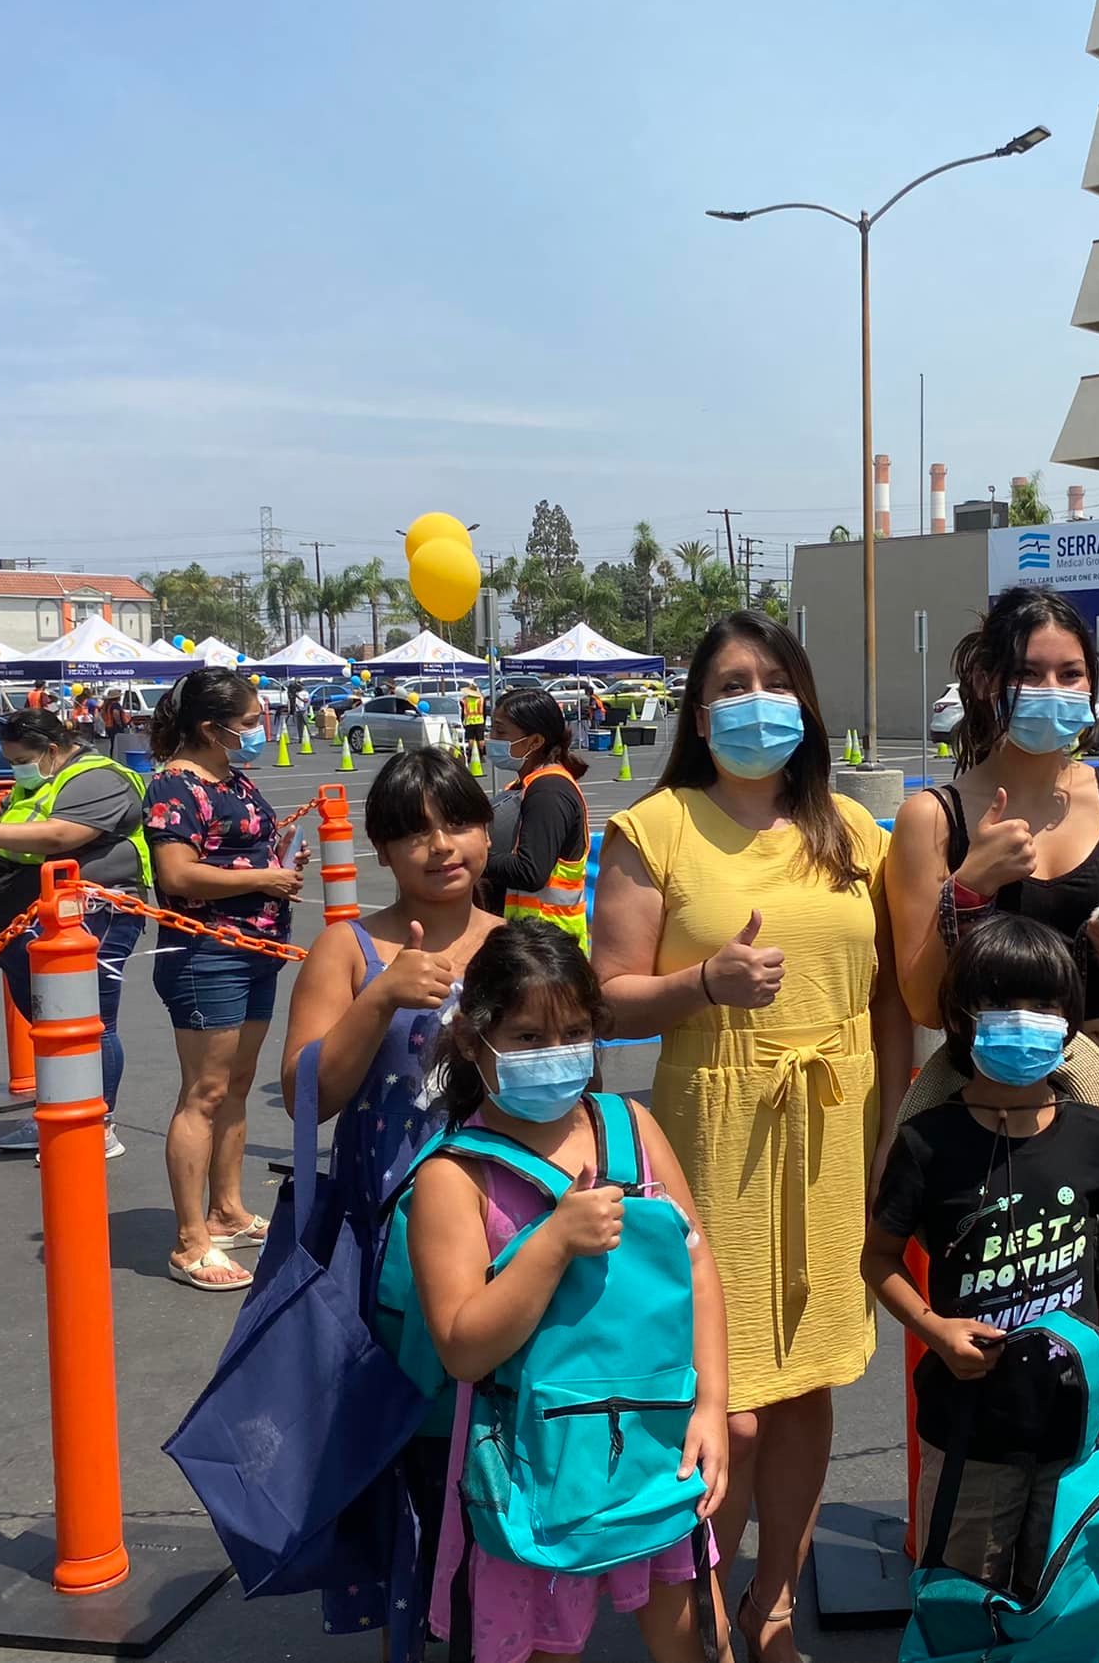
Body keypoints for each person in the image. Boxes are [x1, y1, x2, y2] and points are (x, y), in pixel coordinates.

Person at [591, 609, 912, 1662]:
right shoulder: (656, 829)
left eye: (772, 681)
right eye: (728, 684)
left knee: (808, 1383)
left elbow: (898, 999)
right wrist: (701, 983)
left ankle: (773, 1603)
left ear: (807, 701)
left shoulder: (853, 832)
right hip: (715, 1131)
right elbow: (607, 998)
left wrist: (887, 1137)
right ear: (694, 708)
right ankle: (700, 1615)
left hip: (835, 1124)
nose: (753, 702)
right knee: (720, 1404)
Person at [887, 585, 1099, 1405]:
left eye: (1073, 673)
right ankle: (995, 1529)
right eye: (1032, 672)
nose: (1055, 691)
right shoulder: (934, 818)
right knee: (1016, 1360)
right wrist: (967, 887)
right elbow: (925, 1001)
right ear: (989, 680)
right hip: (1009, 1112)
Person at [407, 922, 731, 1663]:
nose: (554, 1055)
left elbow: (697, 1265)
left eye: (574, 1032)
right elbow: (463, 1346)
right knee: (544, 1646)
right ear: (471, 1039)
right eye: (525, 1037)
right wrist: (552, 1245)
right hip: (531, 1466)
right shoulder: (453, 1178)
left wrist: (711, 1403)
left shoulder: (632, 1127)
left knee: (695, 1638)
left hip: (654, 1442)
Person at [276, 748, 501, 1651]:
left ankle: (506, 1621)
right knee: (410, 1447)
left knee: (497, 1434)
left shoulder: (522, 942)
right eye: (412, 831)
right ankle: (415, 1625)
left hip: (504, 1229)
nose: (441, 846)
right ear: (380, 851)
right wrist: (378, 1001)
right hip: (389, 1245)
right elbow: (308, 1096)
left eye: (458, 821)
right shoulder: (348, 944)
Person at [863, 916, 1099, 1596]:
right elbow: (878, 1259)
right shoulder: (929, 1144)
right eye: (999, 1005)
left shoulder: (1097, 1136)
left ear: (1071, 1020)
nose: (1024, 1022)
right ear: (962, 1020)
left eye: (1044, 1006)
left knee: (1060, 1587)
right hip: (969, 1430)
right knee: (965, 1593)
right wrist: (935, 1329)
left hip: (1075, 1423)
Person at [143, 668, 309, 1292]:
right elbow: (178, 875)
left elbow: (233, 852)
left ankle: (228, 1209)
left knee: (237, 1083)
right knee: (204, 1092)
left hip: (258, 945)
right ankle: (191, 1240)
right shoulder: (173, 785)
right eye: (248, 723)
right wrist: (260, 878)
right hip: (206, 953)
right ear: (211, 728)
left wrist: (278, 858)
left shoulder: (230, 779)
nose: (258, 730)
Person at [0, 708, 150, 1160]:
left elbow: (61, 835)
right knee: (52, 1023)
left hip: (95, 908)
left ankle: (97, 1123)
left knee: (89, 1023)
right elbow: (25, 836)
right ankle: (62, 1110)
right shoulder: (39, 780)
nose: (15, 768)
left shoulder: (98, 777)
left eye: (20, 759)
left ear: (51, 750)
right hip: (37, 909)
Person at [482, 688, 592, 954]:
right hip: (533, 941)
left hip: (551, 948)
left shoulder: (549, 791)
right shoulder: (526, 785)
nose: (490, 740)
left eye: (500, 732)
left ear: (534, 742)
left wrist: (475, 858)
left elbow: (531, 871)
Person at [101, 688, 130, 762]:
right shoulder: (115, 705)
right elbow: (115, 713)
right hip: (115, 727)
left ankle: (112, 756)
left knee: (113, 743)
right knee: (118, 743)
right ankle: (118, 758)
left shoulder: (107, 705)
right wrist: (119, 723)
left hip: (109, 726)